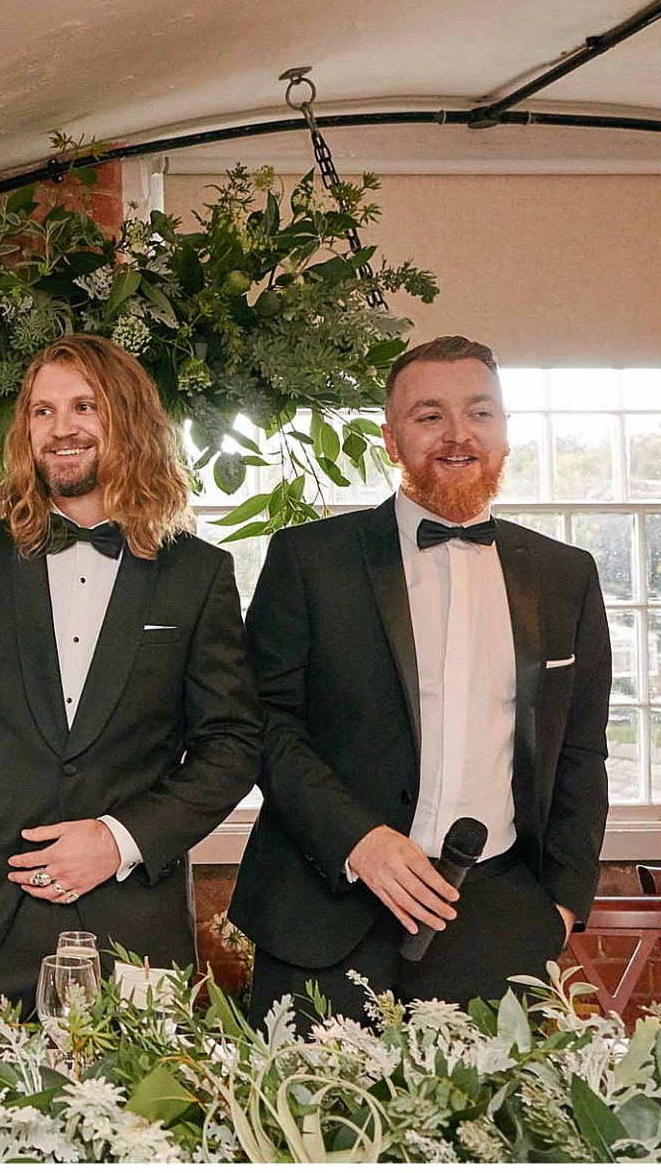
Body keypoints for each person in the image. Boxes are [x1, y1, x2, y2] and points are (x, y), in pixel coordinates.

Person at [230, 336, 610, 1022]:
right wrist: (358, 840)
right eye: (430, 415)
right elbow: (262, 724)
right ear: (390, 438)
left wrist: (559, 906)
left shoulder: (567, 576)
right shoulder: (308, 560)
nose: (458, 434)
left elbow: (582, 750)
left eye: (480, 413)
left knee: (489, 1133)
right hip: (323, 914)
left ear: (505, 430)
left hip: (498, 927)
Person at [0, 334, 264, 1012]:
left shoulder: (197, 574)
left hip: (134, 927)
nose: (61, 428)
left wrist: (117, 840)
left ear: (127, 420)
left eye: (84, 407)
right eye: (42, 411)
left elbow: (233, 746)